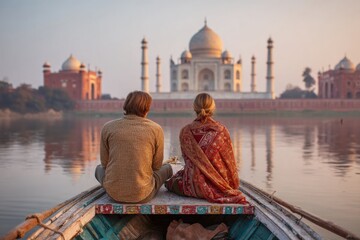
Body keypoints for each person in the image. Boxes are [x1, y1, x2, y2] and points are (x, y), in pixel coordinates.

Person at [165, 93, 247, 204]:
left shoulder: (185, 131)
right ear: (213, 108)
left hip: (192, 187)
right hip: (218, 186)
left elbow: (188, 161)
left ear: (194, 108)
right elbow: (230, 165)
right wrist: (231, 185)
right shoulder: (221, 131)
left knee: (171, 182)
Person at [95, 91, 173, 203]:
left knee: (98, 169)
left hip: (114, 194)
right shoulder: (156, 129)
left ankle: (116, 186)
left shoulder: (108, 127)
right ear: (147, 108)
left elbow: (104, 163)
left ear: (126, 105)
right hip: (143, 194)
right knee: (168, 168)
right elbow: (156, 166)